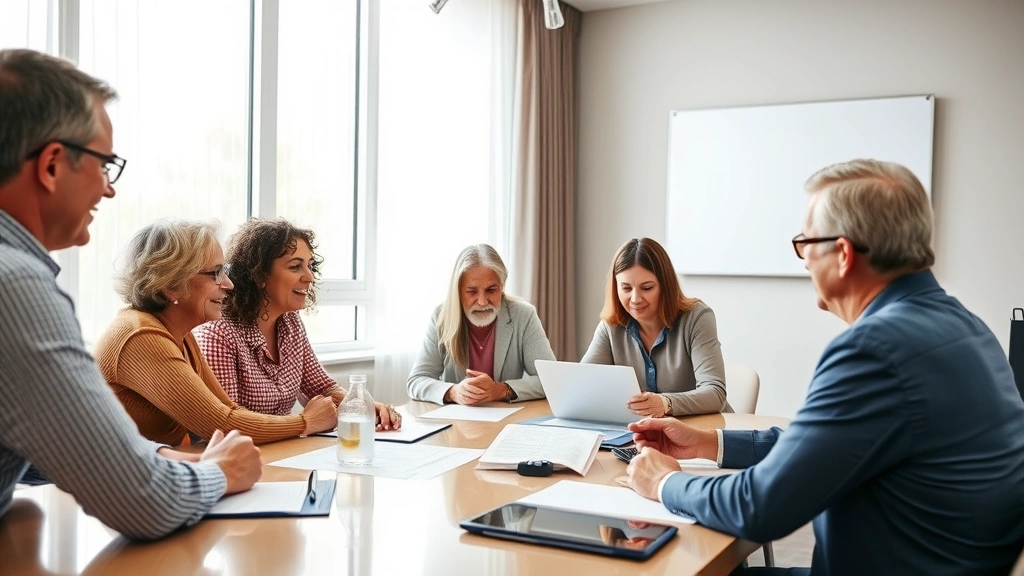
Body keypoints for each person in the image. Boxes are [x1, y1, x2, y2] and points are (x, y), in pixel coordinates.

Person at [625, 159, 1024, 575]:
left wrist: (664, 482)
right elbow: (821, 447)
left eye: (805, 243)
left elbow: (760, 507)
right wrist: (709, 444)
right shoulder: (966, 327)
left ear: (843, 254)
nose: (803, 260)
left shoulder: (873, 350)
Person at [0, 48, 261, 540]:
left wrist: (147, 454)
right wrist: (219, 472)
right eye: (105, 165)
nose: (109, 189)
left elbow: (37, 445)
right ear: (52, 165)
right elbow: (144, 502)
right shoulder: (15, 286)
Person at [95, 219, 340, 446]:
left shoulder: (180, 335)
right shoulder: (141, 335)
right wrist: (306, 422)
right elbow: (223, 425)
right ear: (171, 285)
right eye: (215, 273)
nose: (229, 284)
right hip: (97, 483)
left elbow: (227, 409)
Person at [193, 217, 400, 430]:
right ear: (260, 274)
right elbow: (229, 423)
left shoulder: (290, 323)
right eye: (295, 267)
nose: (309, 277)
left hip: (282, 450)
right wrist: (304, 423)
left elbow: (322, 388)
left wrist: (362, 407)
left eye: (310, 266)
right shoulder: (217, 333)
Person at [581, 238, 727, 417]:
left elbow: (715, 393)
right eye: (626, 288)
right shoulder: (611, 326)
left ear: (665, 286)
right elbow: (583, 387)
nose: (635, 299)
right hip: (643, 434)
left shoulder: (697, 317)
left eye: (647, 288)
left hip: (703, 431)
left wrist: (665, 403)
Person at [407, 244, 556, 405]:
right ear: (458, 292)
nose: (482, 301)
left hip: (507, 419)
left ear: (502, 288)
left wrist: (500, 390)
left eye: (491, 290)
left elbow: (551, 381)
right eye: (472, 292)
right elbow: (416, 381)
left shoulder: (523, 315)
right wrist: (453, 392)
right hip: (456, 421)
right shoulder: (441, 316)